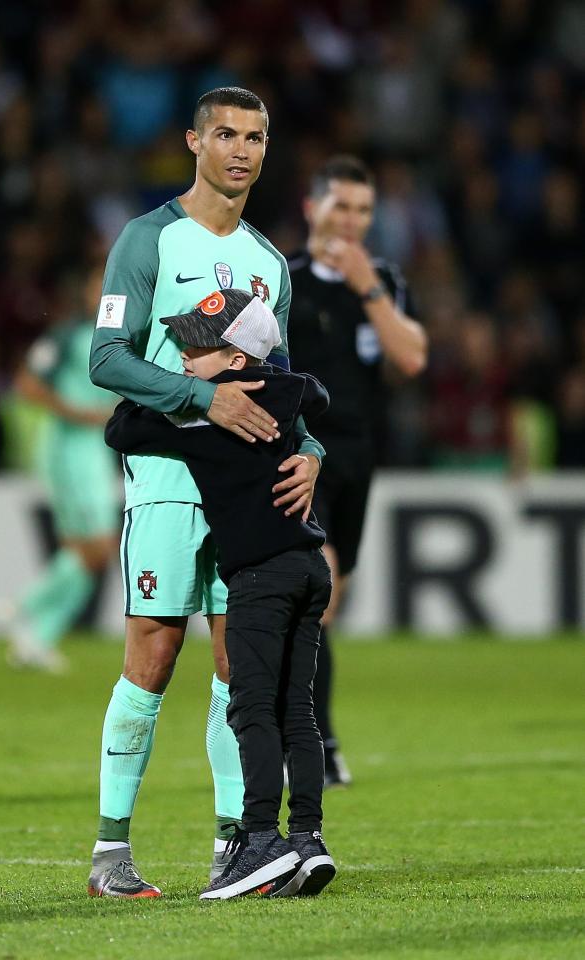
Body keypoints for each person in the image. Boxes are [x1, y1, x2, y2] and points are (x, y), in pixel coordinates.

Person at [87, 87, 324, 898]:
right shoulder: (148, 239)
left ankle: (240, 848)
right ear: (193, 141)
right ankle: (110, 853)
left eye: (255, 137)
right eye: (224, 134)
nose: (240, 150)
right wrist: (201, 398)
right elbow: (107, 359)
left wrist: (314, 450)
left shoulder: (267, 262)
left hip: (247, 490)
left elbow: (282, 383)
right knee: (152, 657)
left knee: (238, 667)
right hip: (166, 481)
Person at [105, 288, 335, 901]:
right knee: (298, 712)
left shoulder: (205, 422)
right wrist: (303, 435)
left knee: (251, 709)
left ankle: (258, 842)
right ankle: (308, 840)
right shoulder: (286, 395)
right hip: (309, 567)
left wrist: (194, 401)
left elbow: (122, 428)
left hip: (259, 575)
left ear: (234, 362)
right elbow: (316, 392)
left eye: (197, 347)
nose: (183, 357)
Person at [287, 155, 428, 785]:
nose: (352, 220)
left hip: (358, 455)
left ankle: (320, 738)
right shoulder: (281, 277)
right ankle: (311, 745)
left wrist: (366, 285)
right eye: (341, 206)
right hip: (297, 452)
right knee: (313, 591)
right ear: (311, 208)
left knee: (325, 605)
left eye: (363, 210)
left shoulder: (383, 280)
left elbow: (412, 359)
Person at [7, 267, 118, 672]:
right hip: (67, 445)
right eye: (98, 285)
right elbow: (26, 384)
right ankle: (27, 608)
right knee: (96, 547)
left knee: (89, 551)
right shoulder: (67, 335)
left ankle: (35, 634)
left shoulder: (124, 340)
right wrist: (77, 413)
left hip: (94, 448)